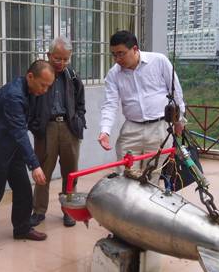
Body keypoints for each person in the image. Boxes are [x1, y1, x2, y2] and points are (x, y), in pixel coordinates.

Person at [0, 60, 55, 248]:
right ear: (30, 76)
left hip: (12, 145)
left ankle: (22, 228)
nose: (45, 90)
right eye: (43, 85)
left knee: (23, 189)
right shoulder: (13, 96)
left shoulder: (32, 91)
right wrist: (35, 165)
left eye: (48, 86)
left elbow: (28, 123)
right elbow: (19, 131)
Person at [98, 30, 186, 164]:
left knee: (153, 172)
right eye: (114, 55)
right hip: (131, 129)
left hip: (159, 127)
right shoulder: (113, 74)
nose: (117, 59)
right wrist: (105, 131)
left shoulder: (159, 61)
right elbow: (110, 104)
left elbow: (176, 92)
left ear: (134, 49)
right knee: (126, 171)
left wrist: (179, 120)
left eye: (121, 54)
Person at [28, 37, 86, 228]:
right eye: (57, 58)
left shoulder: (73, 76)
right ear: (49, 55)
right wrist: (35, 124)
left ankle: (68, 210)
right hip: (47, 128)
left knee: (70, 172)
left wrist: (79, 120)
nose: (61, 63)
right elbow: (31, 101)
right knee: (43, 171)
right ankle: (39, 210)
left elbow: (80, 103)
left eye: (65, 59)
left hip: (69, 128)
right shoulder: (41, 74)